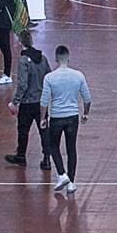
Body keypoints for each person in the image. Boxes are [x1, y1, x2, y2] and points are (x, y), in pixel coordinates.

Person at [40, 46, 92, 196]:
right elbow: (87, 98)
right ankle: (71, 183)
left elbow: (44, 101)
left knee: (53, 145)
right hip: (72, 117)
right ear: (68, 58)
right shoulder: (78, 76)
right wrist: (86, 113)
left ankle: (62, 174)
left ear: (56, 59)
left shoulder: (50, 78)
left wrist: (43, 118)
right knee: (71, 149)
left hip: (56, 117)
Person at [5, 46, 54, 172]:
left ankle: (21, 155)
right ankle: (47, 158)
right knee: (44, 130)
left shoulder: (23, 61)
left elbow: (22, 84)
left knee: (23, 130)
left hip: (27, 102)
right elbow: (49, 76)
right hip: (41, 102)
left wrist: (15, 101)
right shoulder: (43, 59)